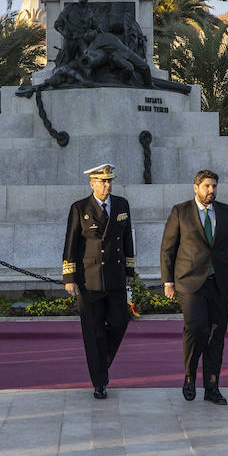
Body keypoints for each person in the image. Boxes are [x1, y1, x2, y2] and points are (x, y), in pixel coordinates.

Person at [161, 169, 228, 405]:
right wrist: (167, 281)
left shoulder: (225, 211)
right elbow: (168, 249)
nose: (211, 191)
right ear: (196, 188)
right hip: (189, 282)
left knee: (216, 335)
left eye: (214, 186)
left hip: (219, 282)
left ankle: (212, 387)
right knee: (196, 328)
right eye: (207, 186)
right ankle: (190, 376)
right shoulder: (180, 211)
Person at [62, 163, 135, 399]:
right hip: (89, 280)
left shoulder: (122, 205)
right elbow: (71, 243)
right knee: (94, 332)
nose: (107, 185)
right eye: (102, 181)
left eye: (109, 181)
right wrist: (69, 278)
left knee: (119, 323)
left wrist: (130, 271)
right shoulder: (80, 208)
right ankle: (99, 381)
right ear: (91, 183)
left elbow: (127, 240)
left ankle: (100, 361)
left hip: (115, 277)